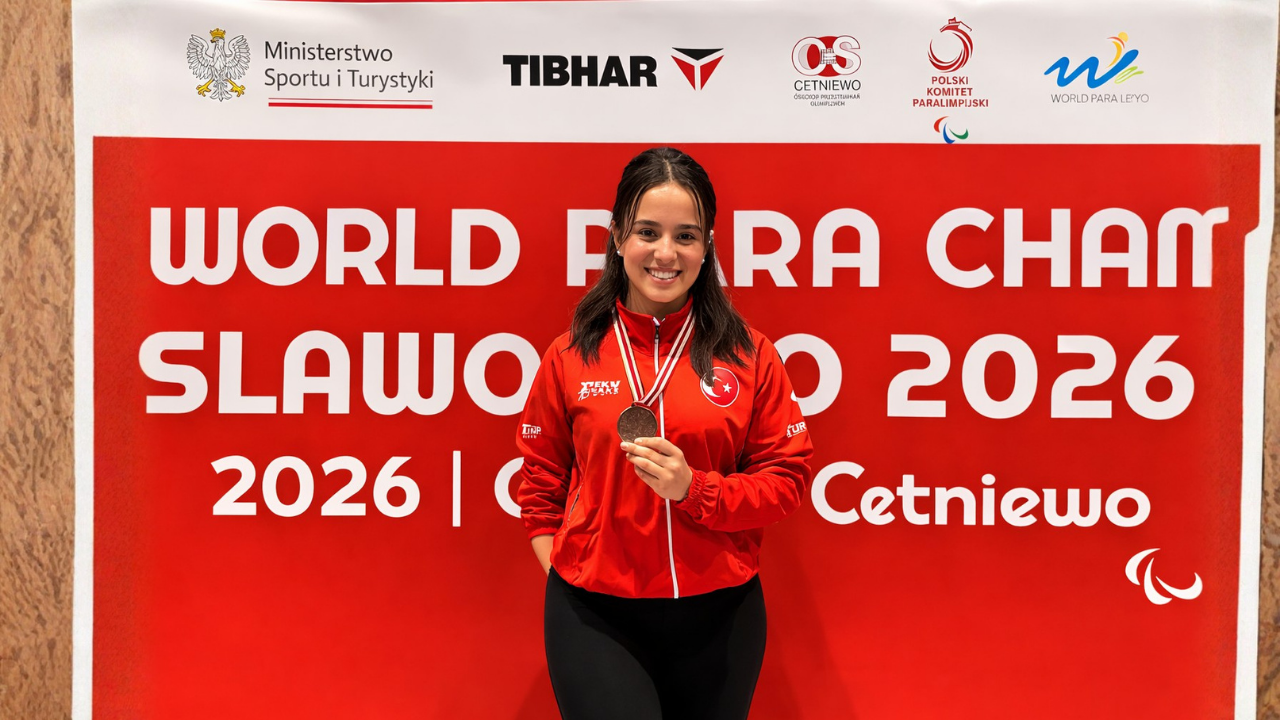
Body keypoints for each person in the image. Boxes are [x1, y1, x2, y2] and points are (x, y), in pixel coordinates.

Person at [514, 147, 814, 720]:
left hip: (720, 614)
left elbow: (787, 479)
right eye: (647, 232)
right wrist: (567, 571)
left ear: (708, 246)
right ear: (618, 237)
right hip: (595, 616)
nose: (666, 253)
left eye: (686, 236)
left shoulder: (749, 354)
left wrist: (696, 490)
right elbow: (540, 479)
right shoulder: (570, 355)